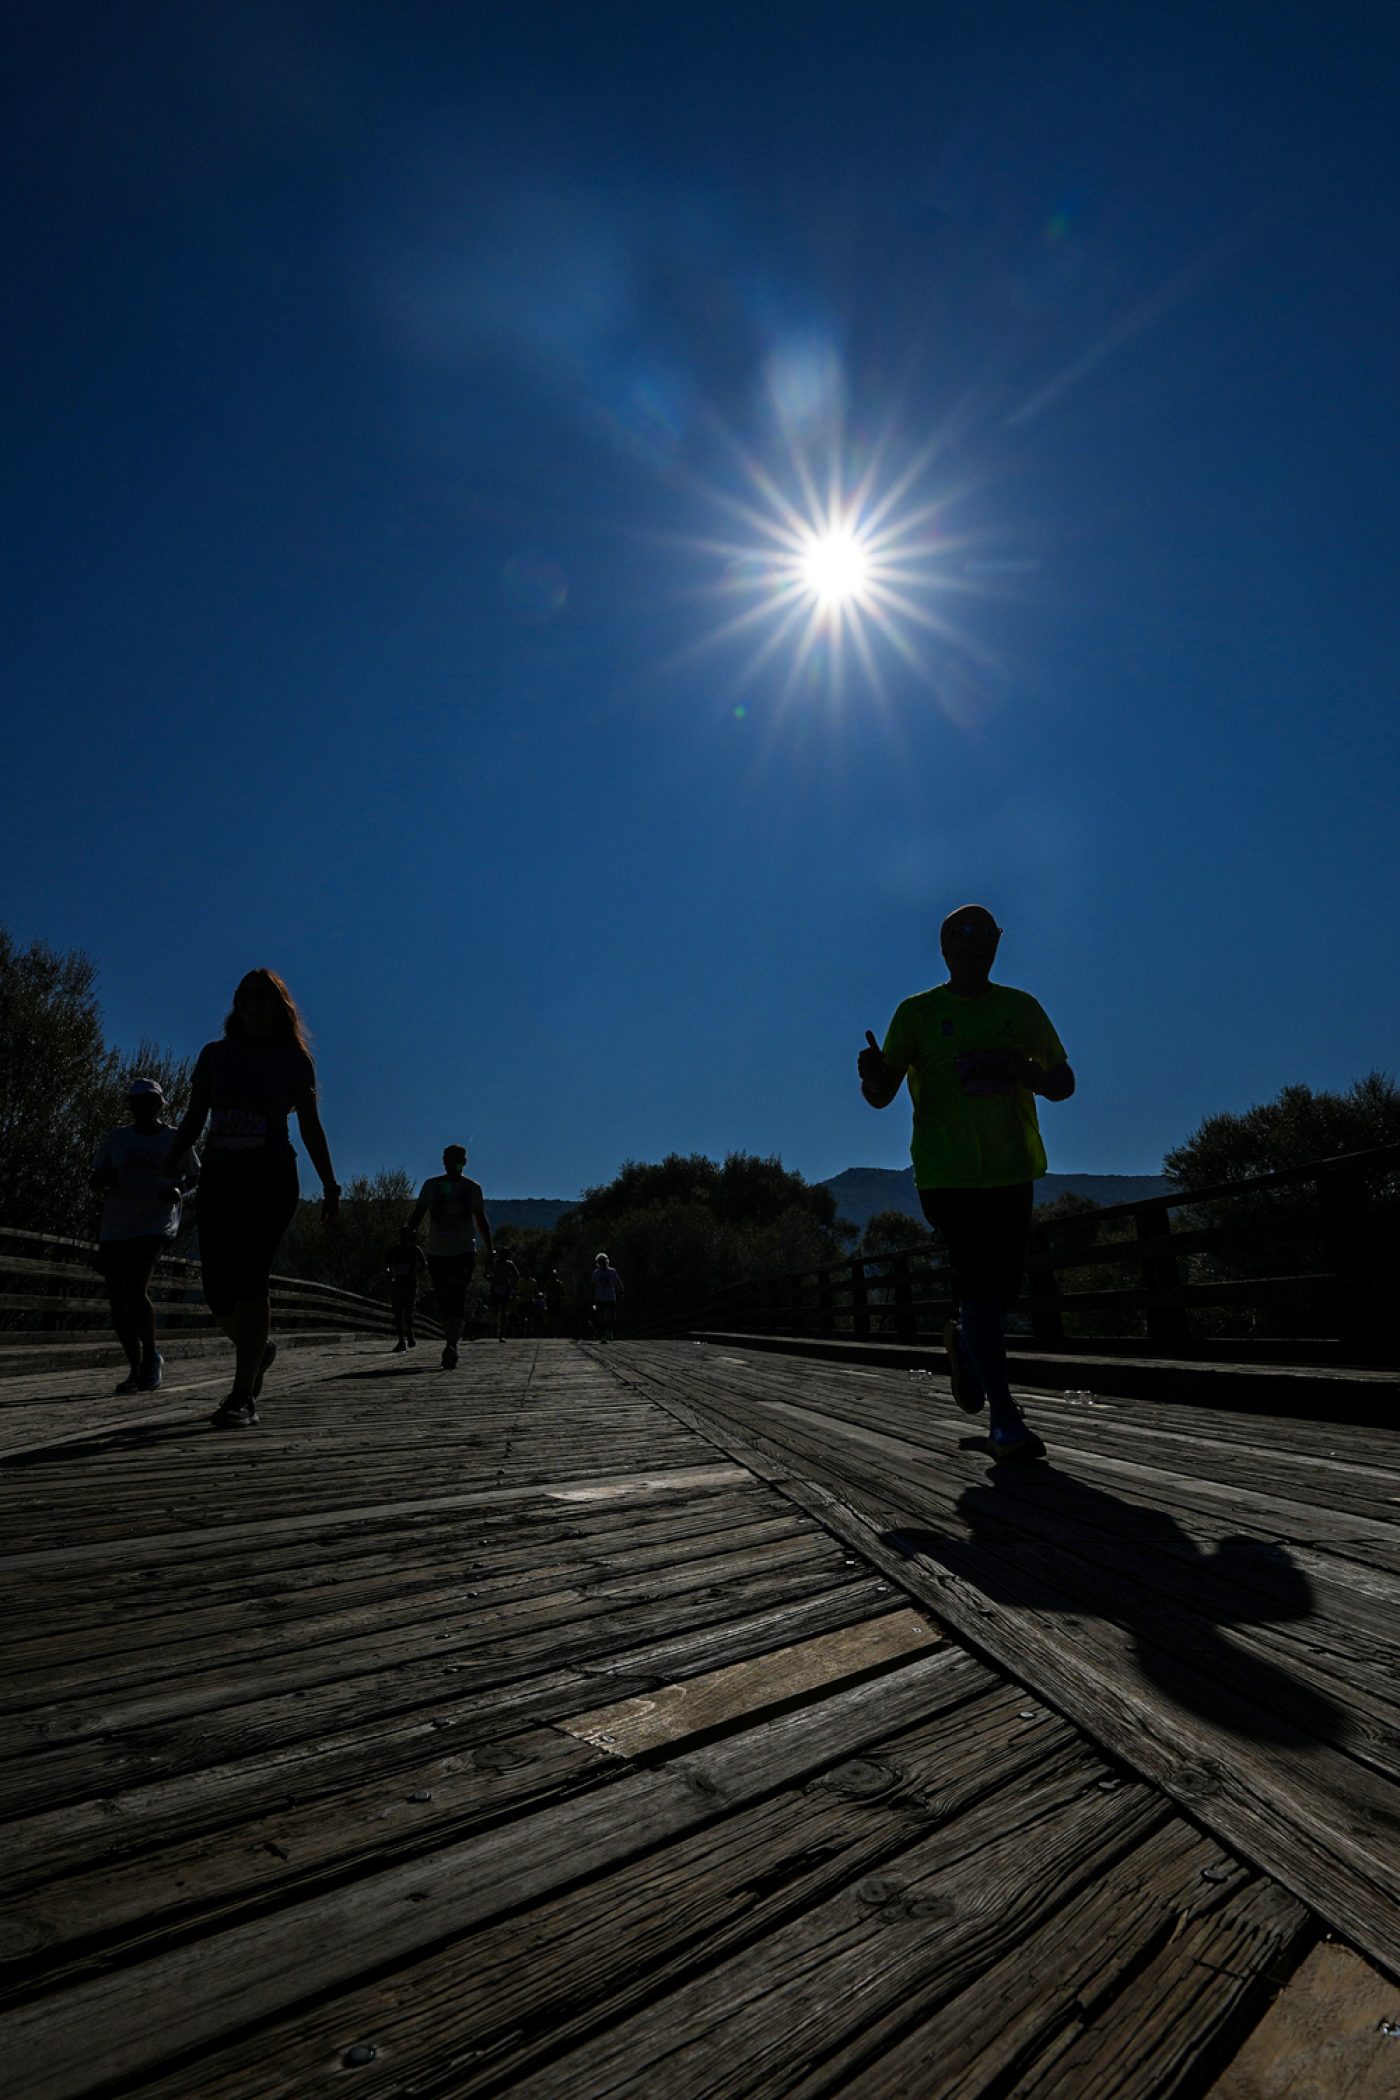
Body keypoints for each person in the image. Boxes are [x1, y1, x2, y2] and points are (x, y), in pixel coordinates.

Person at [857, 905, 1074, 1461]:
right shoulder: (917, 1013)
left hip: (1012, 1169)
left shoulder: (1021, 1008)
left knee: (1001, 1292)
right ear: (945, 947)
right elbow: (882, 1094)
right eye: (965, 935)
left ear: (997, 946)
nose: (977, 944)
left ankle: (966, 1343)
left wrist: (1029, 1074)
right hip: (946, 1174)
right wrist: (871, 1077)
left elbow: (1064, 1081)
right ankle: (1005, 1418)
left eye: (987, 935)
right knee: (978, 1283)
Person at [164, 969, 340, 1428]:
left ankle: (242, 1395)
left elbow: (310, 1127)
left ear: (280, 1008)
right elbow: (194, 1116)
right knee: (217, 1291)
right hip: (220, 1176)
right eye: (246, 998)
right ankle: (258, 1350)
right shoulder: (214, 1056)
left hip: (270, 1177)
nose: (254, 1006)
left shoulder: (294, 1060)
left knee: (250, 1277)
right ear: (237, 1006)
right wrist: (171, 1158)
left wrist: (330, 1185)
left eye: (263, 999)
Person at [91, 1078, 200, 1394]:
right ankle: (135, 1367)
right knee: (117, 1298)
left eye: (150, 1102)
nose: (144, 1108)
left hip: (155, 1223)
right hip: (117, 1226)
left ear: (160, 1105)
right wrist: (104, 1179)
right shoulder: (116, 1139)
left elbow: (196, 1175)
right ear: (132, 1106)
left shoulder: (175, 1139)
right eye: (139, 1103)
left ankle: (151, 1355)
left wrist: (180, 1191)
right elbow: (96, 1176)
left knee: (134, 1287)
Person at [406, 1146, 493, 1367]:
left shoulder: (472, 1188)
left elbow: (481, 1220)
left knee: (457, 1295)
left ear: (464, 1162)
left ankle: (452, 1344)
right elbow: (417, 1216)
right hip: (437, 1251)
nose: (453, 1164)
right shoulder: (431, 1186)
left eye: (457, 1160)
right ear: (443, 1161)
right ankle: (450, 1341)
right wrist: (408, 1243)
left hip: (463, 1251)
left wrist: (490, 1250)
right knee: (444, 1297)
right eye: (449, 1159)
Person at [385, 1225, 428, 1352]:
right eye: (403, 1235)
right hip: (397, 1282)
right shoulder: (395, 1250)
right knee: (397, 1311)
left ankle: (409, 1332)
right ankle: (401, 1340)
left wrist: (415, 1271)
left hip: (410, 1283)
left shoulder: (416, 1250)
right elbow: (386, 1263)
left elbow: (424, 1264)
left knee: (408, 1310)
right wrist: (389, 1271)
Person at [485, 1245, 519, 1341]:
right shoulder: (494, 1263)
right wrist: (489, 1277)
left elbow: (516, 1275)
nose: (505, 1256)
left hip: (505, 1287)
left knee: (504, 1311)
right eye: (503, 1254)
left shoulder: (509, 1264)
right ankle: (495, 1325)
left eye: (506, 1254)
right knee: (495, 1310)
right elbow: (486, 1273)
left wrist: (512, 1286)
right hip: (495, 1287)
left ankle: (502, 1333)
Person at [590, 1251, 623, 1341]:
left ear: (606, 1261)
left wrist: (621, 1292)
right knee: (601, 1317)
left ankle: (609, 1331)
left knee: (610, 1316)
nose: (602, 1263)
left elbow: (618, 1282)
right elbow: (593, 1285)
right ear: (598, 1262)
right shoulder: (596, 1273)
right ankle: (604, 1333)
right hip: (600, 1298)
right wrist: (592, 1297)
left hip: (610, 1297)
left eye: (603, 1261)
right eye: (600, 1261)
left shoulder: (612, 1271)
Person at [544, 1268, 565, 1334]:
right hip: (550, 1301)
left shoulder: (559, 1283)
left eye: (554, 1276)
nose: (553, 1277)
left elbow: (562, 1293)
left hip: (556, 1301)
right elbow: (545, 1291)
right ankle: (551, 1330)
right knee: (550, 1316)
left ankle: (556, 1330)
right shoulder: (548, 1283)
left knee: (556, 1316)